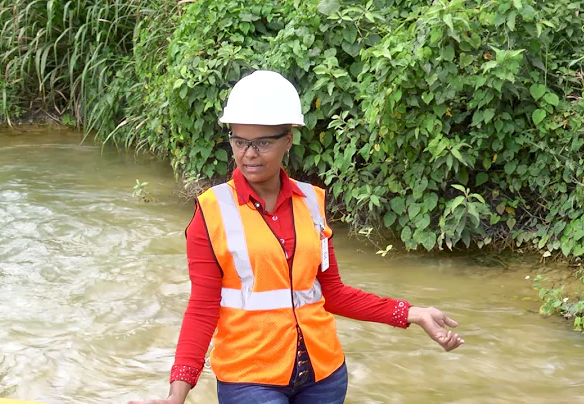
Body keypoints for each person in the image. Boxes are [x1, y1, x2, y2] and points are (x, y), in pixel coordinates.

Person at [129, 70, 464, 404]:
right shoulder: (211, 210)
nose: (248, 154)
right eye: (239, 141)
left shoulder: (312, 202)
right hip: (249, 380)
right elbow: (202, 309)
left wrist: (412, 313)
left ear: (288, 139)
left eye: (262, 143)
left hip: (324, 376)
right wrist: (176, 394)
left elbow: (332, 293)